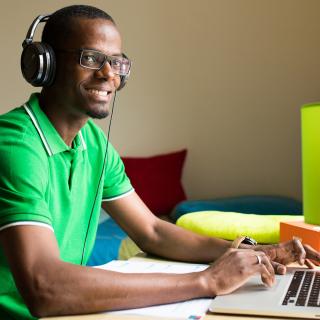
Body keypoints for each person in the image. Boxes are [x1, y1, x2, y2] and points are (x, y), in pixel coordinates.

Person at [0, 4, 319, 320]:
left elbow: (152, 230)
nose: (109, 74)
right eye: (92, 59)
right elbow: (45, 288)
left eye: (116, 62)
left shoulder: (94, 144)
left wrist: (249, 252)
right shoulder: (16, 147)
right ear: (45, 63)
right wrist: (206, 281)